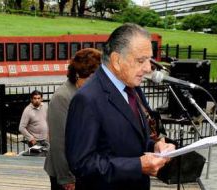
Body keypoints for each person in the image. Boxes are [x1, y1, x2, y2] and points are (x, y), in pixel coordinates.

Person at [65, 23, 175, 190]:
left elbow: (132, 140)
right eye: (141, 60)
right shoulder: (87, 99)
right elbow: (81, 164)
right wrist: (137, 166)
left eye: (149, 59)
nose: (148, 68)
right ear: (116, 60)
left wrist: (155, 147)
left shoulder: (133, 88)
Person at [44, 48, 102, 190]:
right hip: (67, 173)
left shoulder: (89, 92)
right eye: (91, 77)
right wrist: (66, 178)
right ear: (77, 75)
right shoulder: (62, 97)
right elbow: (58, 141)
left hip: (87, 170)